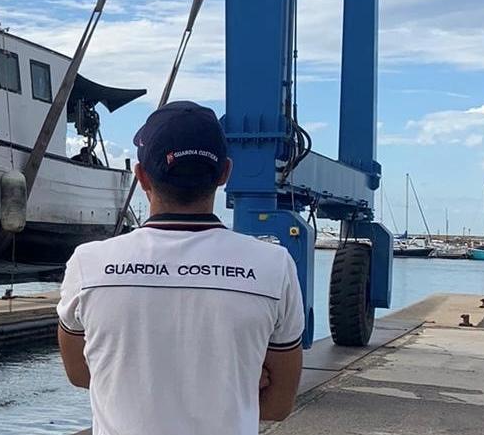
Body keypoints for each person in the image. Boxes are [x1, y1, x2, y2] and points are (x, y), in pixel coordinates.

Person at [57, 100, 304, 435]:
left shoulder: (88, 266)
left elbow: (80, 374)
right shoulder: (274, 268)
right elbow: (278, 404)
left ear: (141, 176)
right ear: (224, 174)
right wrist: (232, 384)